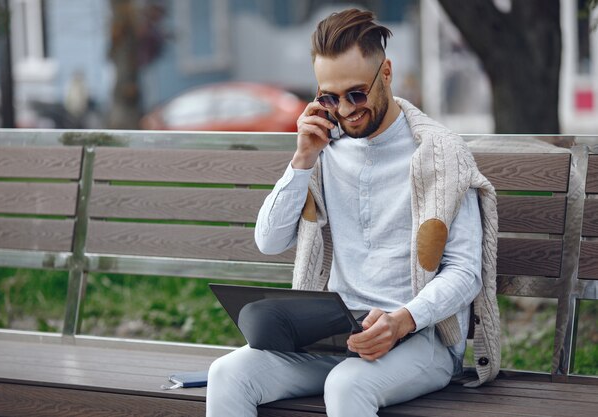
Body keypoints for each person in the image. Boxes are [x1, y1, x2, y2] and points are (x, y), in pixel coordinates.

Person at [206, 9, 500, 417]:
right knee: (228, 374)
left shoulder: (440, 154)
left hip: (422, 339)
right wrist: (302, 160)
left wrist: (403, 321)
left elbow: (465, 273)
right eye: (329, 97)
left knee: (347, 385)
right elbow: (269, 240)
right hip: (334, 336)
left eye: (356, 94)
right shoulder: (324, 150)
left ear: (387, 73)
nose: (344, 109)